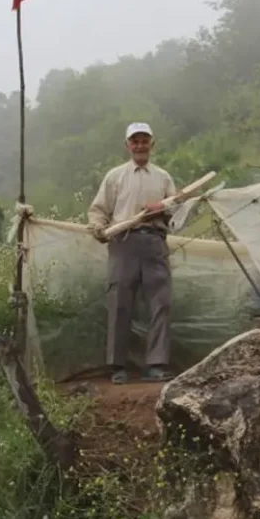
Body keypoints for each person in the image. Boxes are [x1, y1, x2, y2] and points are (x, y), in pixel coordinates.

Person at [86, 122, 177, 384]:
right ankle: (117, 366)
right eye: (135, 141)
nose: (139, 145)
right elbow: (98, 210)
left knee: (161, 303)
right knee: (119, 304)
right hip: (122, 243)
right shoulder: (115, 177)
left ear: (152, 144)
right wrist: (99, 227)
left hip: (154, 243)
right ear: (127, 145)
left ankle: (157, 365)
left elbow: (177, 212)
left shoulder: (163, 178)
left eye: (144, 140)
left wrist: (160, 208)